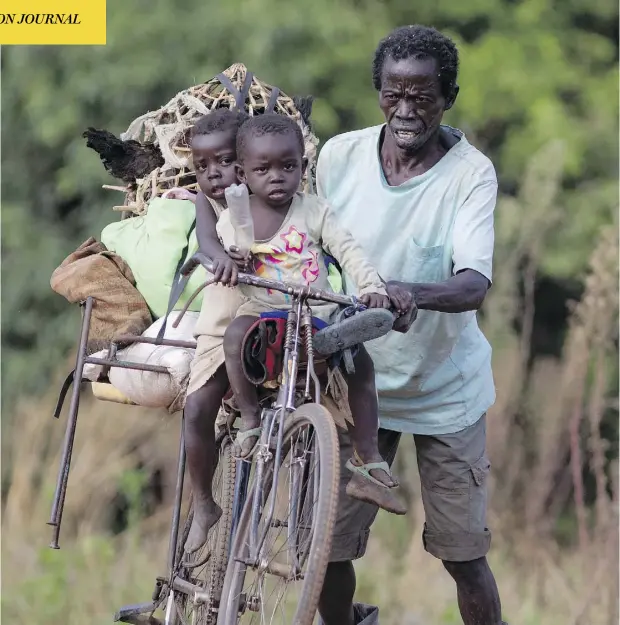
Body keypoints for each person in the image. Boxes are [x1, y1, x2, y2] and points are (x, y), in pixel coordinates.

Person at [314, 25, 507, 625]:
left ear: (448, 95)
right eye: (393, 94)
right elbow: (303, 239)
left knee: (463, 554)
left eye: (422, 96)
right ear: (378, 91)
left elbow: (474, 284)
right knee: (328, 549)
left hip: (442, 389)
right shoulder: (339, 156)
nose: (405, 110)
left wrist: (410, 293)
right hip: (354, 383)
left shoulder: (470, 174)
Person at [214, 113, 409, 514]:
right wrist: (235, 260)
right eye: (263, 169)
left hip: (315, 311)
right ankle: (250, 418)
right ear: (242, 173)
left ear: (304, 167)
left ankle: (368, 458)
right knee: (234, 335)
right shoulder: (236, 214)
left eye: (289, 166)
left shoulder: (314, 210)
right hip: (264, 312)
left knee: (359, 360)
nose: (277, 177)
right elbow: (233, 249)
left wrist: (371, 287)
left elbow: (347, 250)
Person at [175, 108, 250, 554]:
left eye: (222, 161)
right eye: (201, 167)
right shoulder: (208, 201)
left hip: (273, 311)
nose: (213, 174)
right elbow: (206, 243)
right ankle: (204, 502)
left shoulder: (273, 189)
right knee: (198, 406)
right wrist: (216, 257)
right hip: (223, 317)